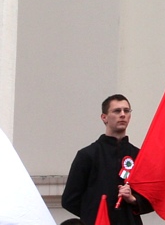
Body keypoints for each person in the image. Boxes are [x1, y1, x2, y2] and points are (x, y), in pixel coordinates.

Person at [61, 95, 152, 225]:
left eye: (126, 111)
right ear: (104, 117)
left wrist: (132, 199)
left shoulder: (139, 156)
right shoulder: (87, 155)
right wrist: (93, 214)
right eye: (117, 111)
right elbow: (69, 199)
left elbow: (151, 199)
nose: (122, 115)